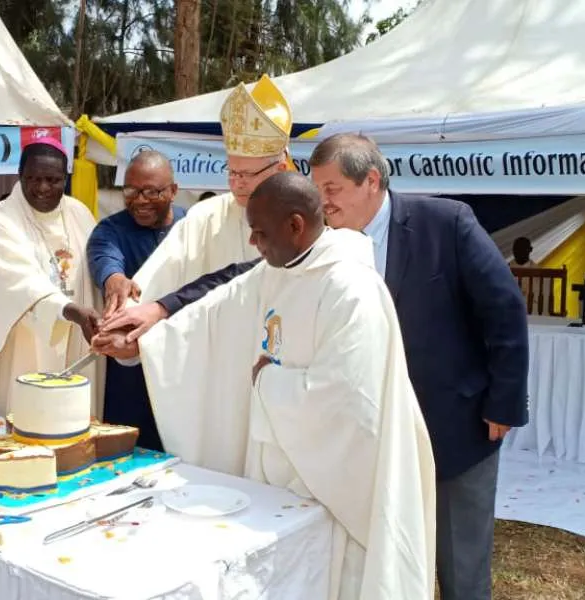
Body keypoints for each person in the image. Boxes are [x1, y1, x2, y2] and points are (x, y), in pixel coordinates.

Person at [103, 134, 529, 600]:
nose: (324, 200)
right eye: (317, 187)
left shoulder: (437, 227)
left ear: (370, 181)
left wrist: (502, 404)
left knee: (460, 562)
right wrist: (156, 324)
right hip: (324, 456)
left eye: (332, 189)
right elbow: (229, 288)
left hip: (447, 423)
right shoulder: (298, 260)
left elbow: (503, 308)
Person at [118, 172, 435, 599]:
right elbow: (209, 318)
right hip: (276, 478)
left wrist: (267, 378)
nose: (253, 243)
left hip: (336, 490)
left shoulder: (351, 289)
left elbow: (349, 405)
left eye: (260, 232)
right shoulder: (277, 269)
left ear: (295, 225)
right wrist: (143, 340)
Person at [0, 138, 103, 418]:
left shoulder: (79, 214)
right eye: (33, 178)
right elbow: (20, 280)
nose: (42, 188)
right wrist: (69, 309)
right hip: (22, 342)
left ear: (65, 179)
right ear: (19, 176)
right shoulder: (0, 222)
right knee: (25, 419)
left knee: (74, 422)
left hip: (77, 336)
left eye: (53, 180)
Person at [125, 74, 295, 306]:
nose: (236, 183)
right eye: (232, 172)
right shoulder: (205, 217)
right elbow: (157, 275)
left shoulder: (303, 222)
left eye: (246, 174)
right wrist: (126, 312)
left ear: (280, 168)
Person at [86, 151, 186, 450]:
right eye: (130, 191)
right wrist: (114, 278)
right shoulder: (110, 229)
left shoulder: (191, 227)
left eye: (151, 192)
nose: (140, 200)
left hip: (183, 363)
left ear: (173, 191)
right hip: (131, 370)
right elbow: (104, 257)